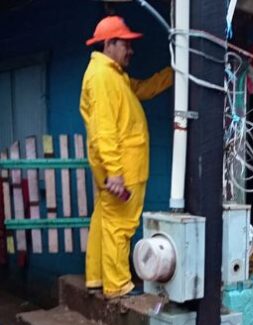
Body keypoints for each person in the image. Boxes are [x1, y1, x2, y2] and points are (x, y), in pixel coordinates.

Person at [80, 15, 174, 299]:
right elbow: (104, 131)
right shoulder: (102, 78)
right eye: (126, 45)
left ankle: (97, 278)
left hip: (119, 166)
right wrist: (115, 172)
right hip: (122, 168)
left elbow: (142, 88)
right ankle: (118, 285)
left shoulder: (112, 75)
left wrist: (175, 72)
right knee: (120, 225)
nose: (131, 51)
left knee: (103, 220)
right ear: (110, 44)